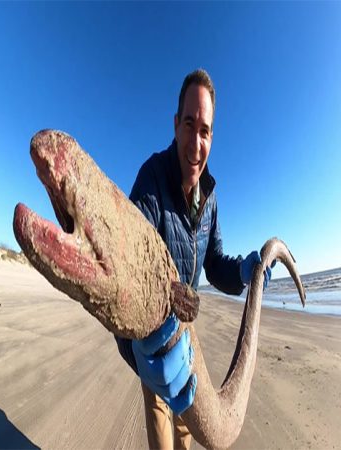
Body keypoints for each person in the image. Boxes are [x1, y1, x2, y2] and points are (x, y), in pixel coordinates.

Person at [114, 69, 274, 450]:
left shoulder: (211, 197)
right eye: (189, 124)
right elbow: (125, 271)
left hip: (187, 334)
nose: (196, 142)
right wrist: (136, 349)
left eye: (205, 130)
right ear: (175, 124)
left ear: (212, 137)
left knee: (188, 428)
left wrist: (242, 272)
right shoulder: (151, 179)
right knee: (161, 427)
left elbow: (213, 261)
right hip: (152, 336)